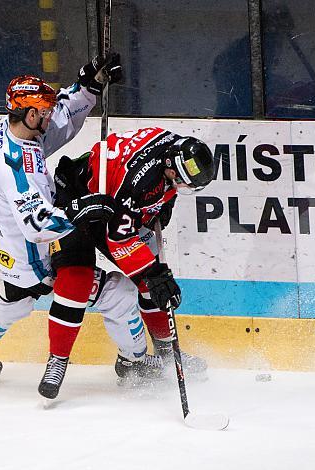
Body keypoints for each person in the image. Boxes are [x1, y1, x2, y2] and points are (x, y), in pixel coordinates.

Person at [0, 55, 164, 386]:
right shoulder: (17, 169)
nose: (49, 116)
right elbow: (37, 225)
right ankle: (133, 364)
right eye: (43, 112)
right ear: (30, 115)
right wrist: (82, 208)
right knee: (118, 294)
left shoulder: (13, 130)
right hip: (34, 260)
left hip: (7, 252)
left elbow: (59, 121)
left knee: (10, 304)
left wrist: (87, 86)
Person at [39, 127, 216, 399]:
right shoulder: (140, 181)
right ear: (170, 167)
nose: (182, 187)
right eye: (181, 182)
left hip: (115, 204)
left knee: (154, 285)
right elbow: (118, 239)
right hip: (76, 202)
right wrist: (152, 271)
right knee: (76, 280)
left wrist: (160, 206)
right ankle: (57, 360)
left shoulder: (172, 148)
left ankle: (166, 352)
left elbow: (135, 208)